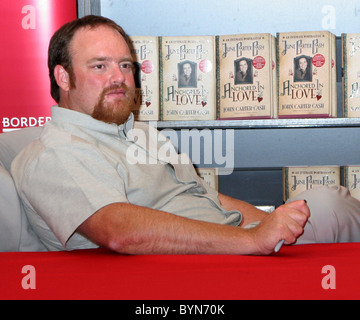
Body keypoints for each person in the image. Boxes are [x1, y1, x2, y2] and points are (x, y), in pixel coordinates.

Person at [11, 15, 360, 255]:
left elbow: (211, 200)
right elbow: (120, 231)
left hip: (233, 246)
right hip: (193, 266)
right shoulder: (54, 152)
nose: (119, 77)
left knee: (330, 203)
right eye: (100, 66)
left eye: (126, 65)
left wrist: (270, 225)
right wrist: (252, 240)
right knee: (331, 204)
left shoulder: (138, 133)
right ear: (63, 77)